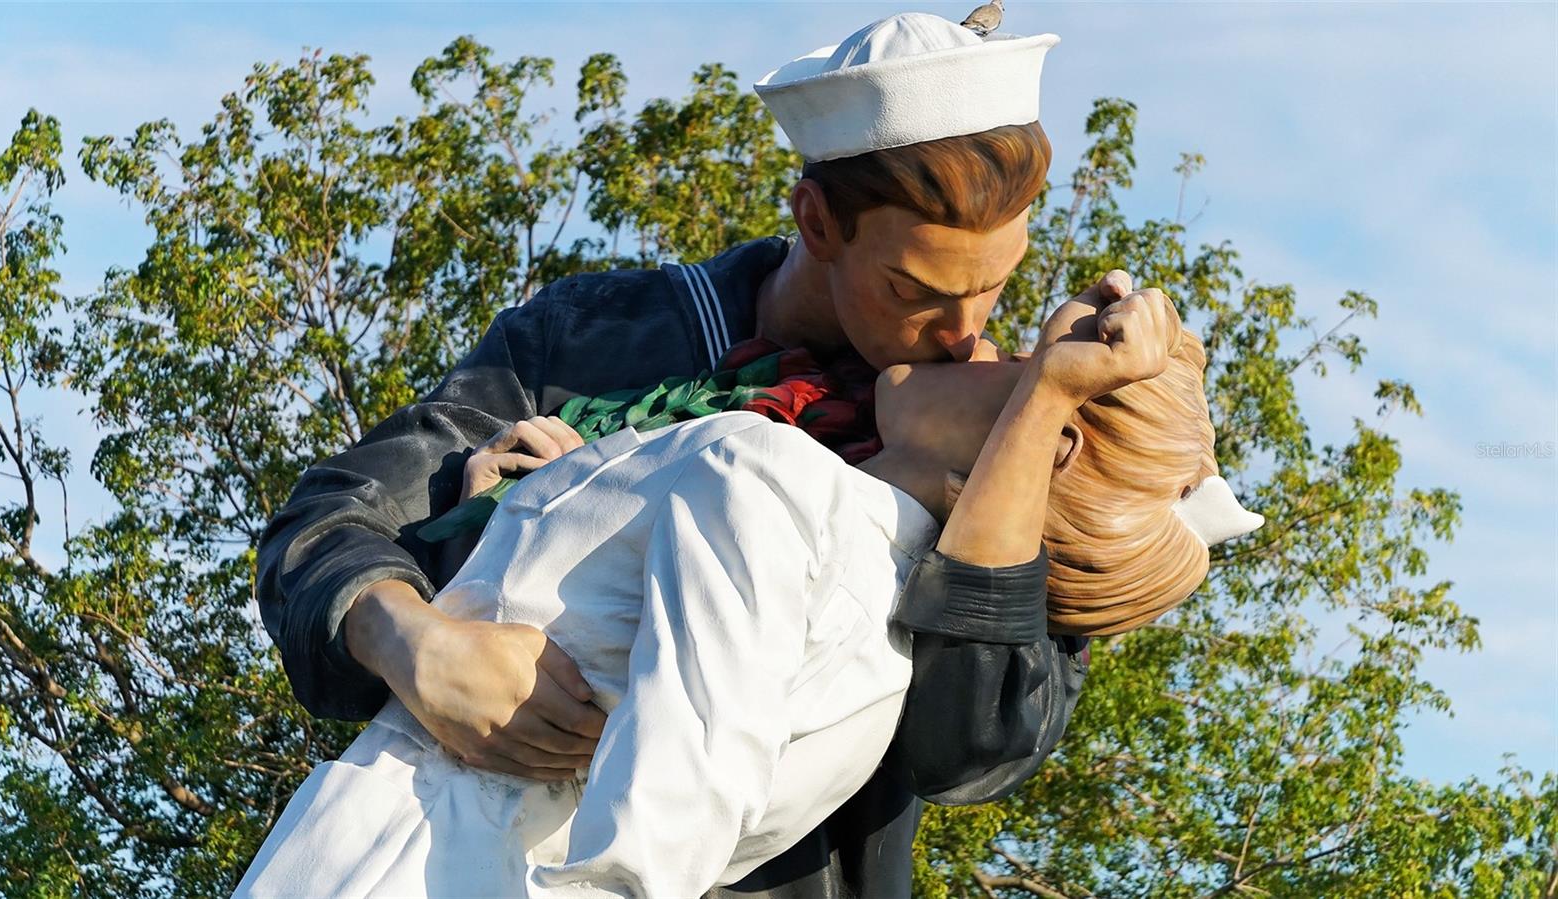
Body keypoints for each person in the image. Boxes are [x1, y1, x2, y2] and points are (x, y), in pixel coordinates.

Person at [253, 13, 1124, 896]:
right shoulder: (583, 341)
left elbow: (971, 746)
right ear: (816, 221)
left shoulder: (989, 434)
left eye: (996, 281)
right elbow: (328, 525)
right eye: (913, 287)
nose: (964, 330)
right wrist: (415, 639)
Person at [234, 278, 1264, 898]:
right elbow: (338, 524)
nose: (973, 339)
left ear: (1044, 443)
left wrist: (1047, 390)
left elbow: (662, 830)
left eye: (1019, 359)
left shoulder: (764, 473)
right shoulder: (879, 639)